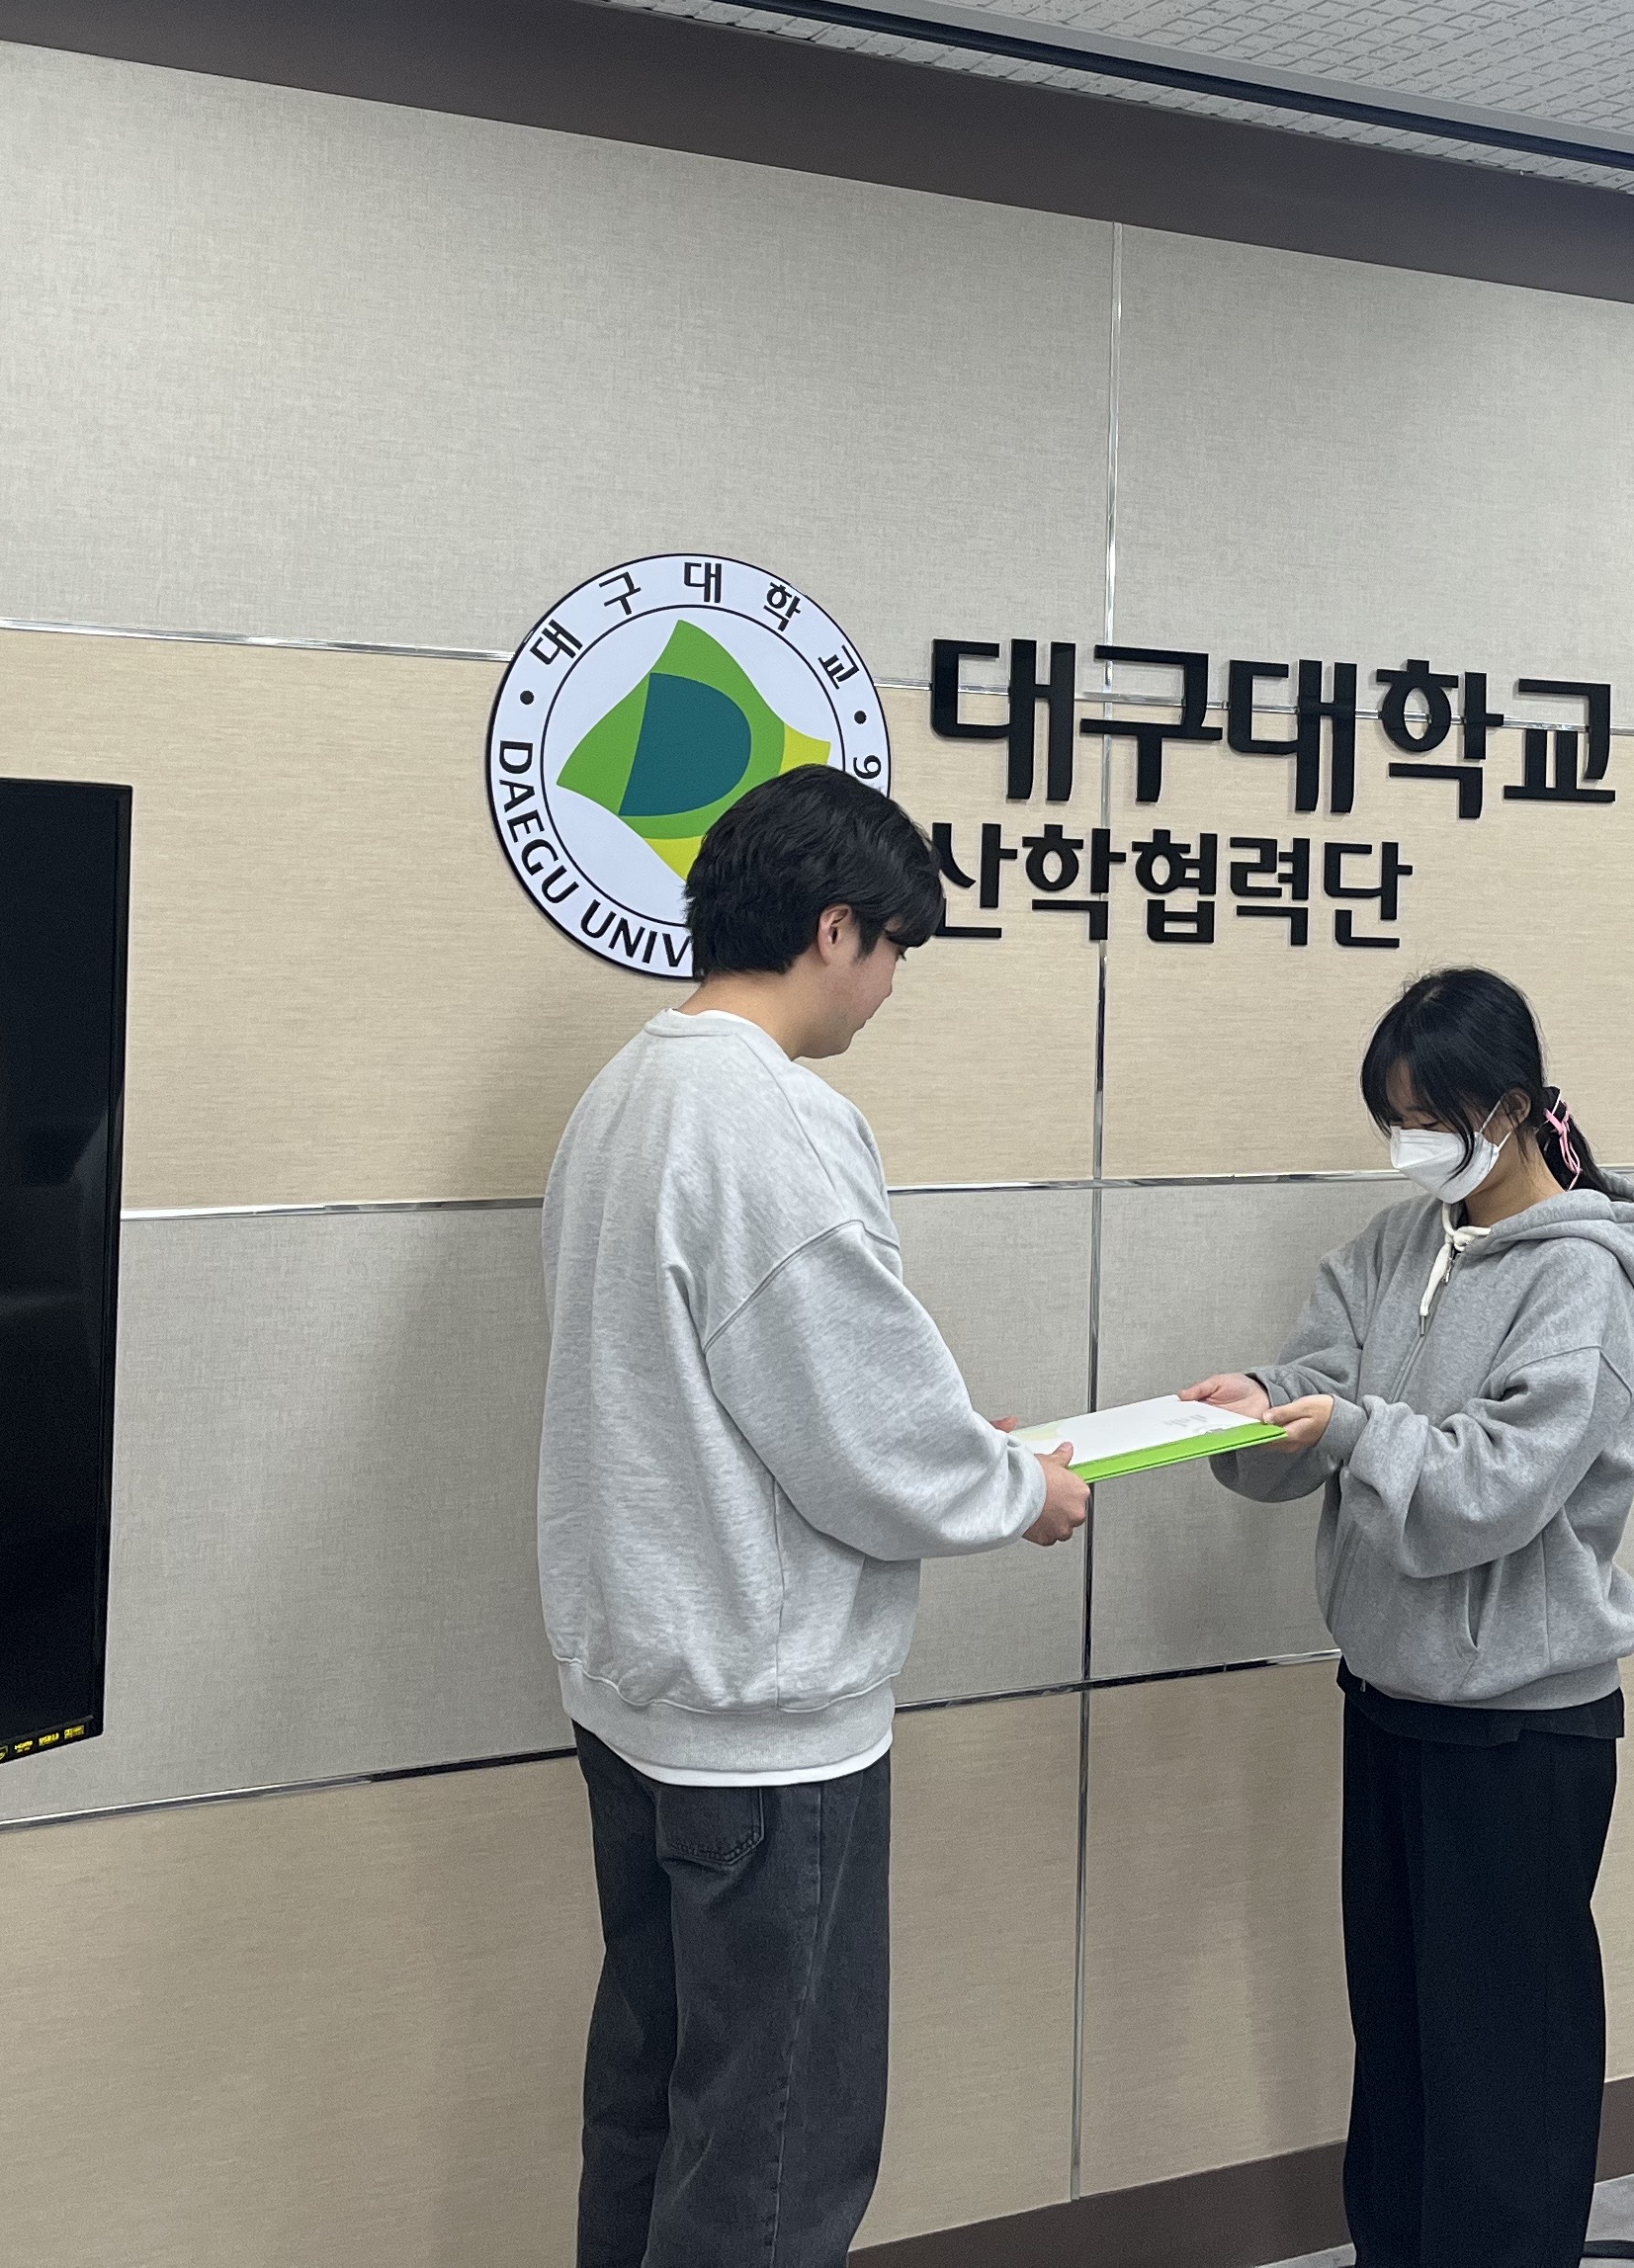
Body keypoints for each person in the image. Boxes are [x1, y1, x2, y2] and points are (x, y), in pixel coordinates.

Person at [539, 763, 1093, 2268]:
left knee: (654, 2103)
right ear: (835, 928)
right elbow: (858, 1436)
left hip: (637, 1699)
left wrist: (940, 1445)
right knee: (776, 2148)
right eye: (897, 947)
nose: (892, 985)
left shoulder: (624, 1092)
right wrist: (1015, 1489)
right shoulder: (772, 1120)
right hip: (765, 1730)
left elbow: (755, 1387)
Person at [1180, 966, 1634, 2268]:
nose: (1408, 1145)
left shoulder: (1582, 1281)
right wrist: (1256, 1407)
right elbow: (1320, 1383)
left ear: (1509, 1111)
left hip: (1520, 1734)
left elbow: (1489, 1491)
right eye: (1393, 1120)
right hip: (1391, 1705)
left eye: (1427, 1120)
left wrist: (1342, 1428)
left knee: (1505, 2070)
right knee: (1398, 2044)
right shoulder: (1397, 1248)